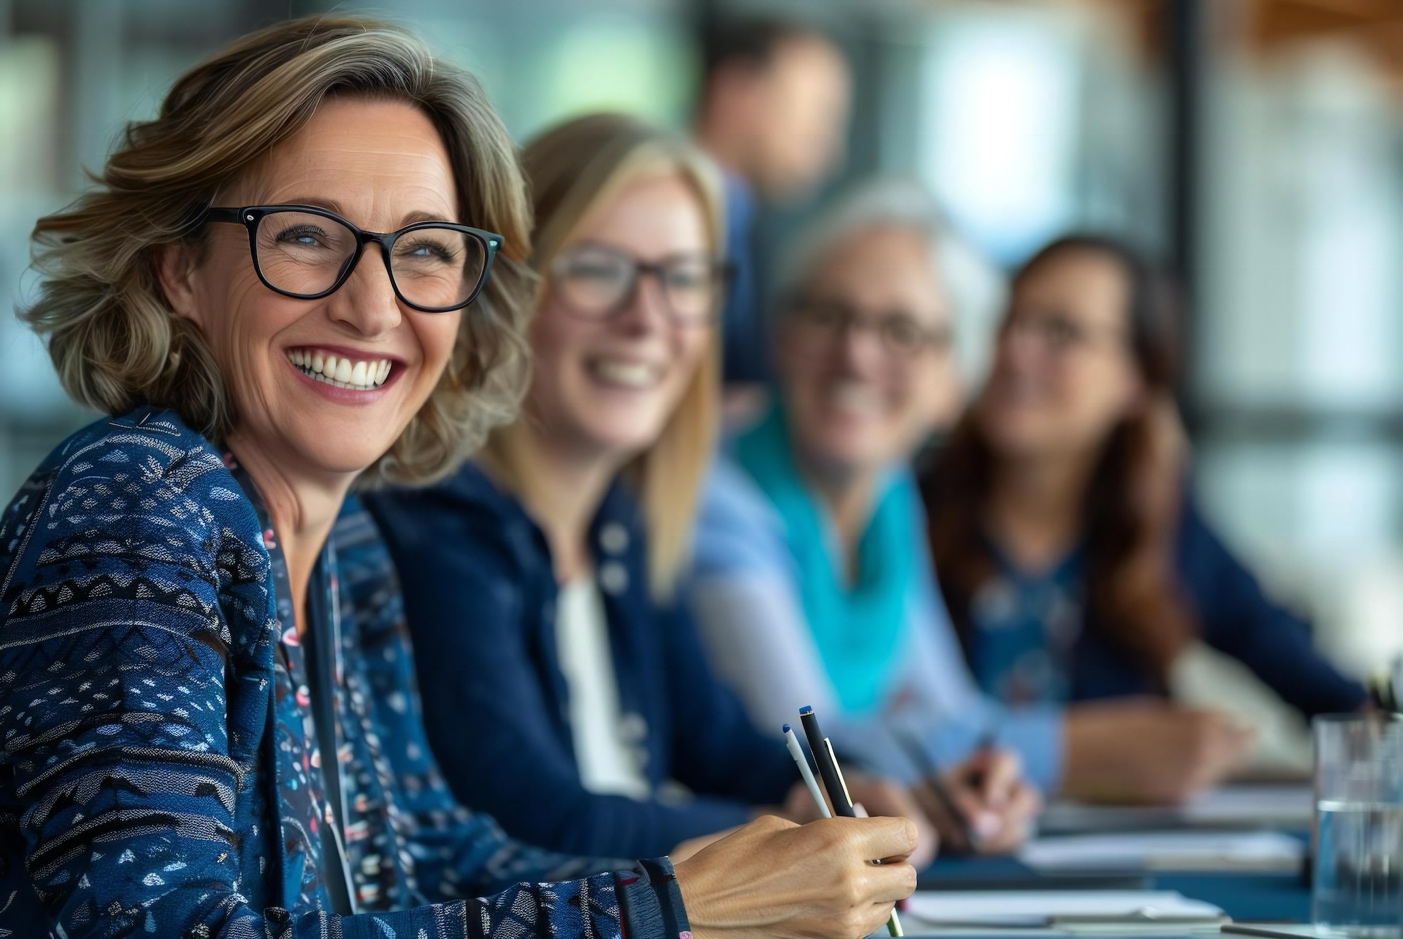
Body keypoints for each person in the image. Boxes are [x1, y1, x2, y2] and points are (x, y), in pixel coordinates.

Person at [0, 18, 918, 937]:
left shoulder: (345, 543)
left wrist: (758, 872)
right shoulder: (139, 500)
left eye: (426, 249)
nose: (372, 306)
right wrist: (678, 908)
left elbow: (439, 855)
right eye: (308, 236)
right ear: (180, 272)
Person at [364, 113, 935, 864]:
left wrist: (854, 792)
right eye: (598, 268)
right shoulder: (435, 526)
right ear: (507, 290)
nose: (646, 318)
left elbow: (722, 745)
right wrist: (793, 838)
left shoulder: (618, 527)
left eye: (683, 279)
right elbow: (534, 816)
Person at [923, 234, 1368, 802]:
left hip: (1113, 868)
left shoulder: (1160, 526)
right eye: (1008, 320)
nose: (1013, 350)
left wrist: (1379, 722)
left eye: (1060, 333)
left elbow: (1318, 685)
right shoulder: (907, 510)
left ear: (1136, 378)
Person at [687, 180, 1042, 852]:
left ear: (953, 384)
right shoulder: (717, 491)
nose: (855, 353)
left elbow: (947, 710)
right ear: (781, 334)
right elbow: (805, 739)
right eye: (827, 315)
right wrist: (1087, 748)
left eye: (901, 330)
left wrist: (987, 777)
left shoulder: (887, 491)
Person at [693, 16, 851, 390]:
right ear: (738, 93)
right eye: (819, 116)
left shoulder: (745, 224)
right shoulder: (664, 227)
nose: (832, 149)